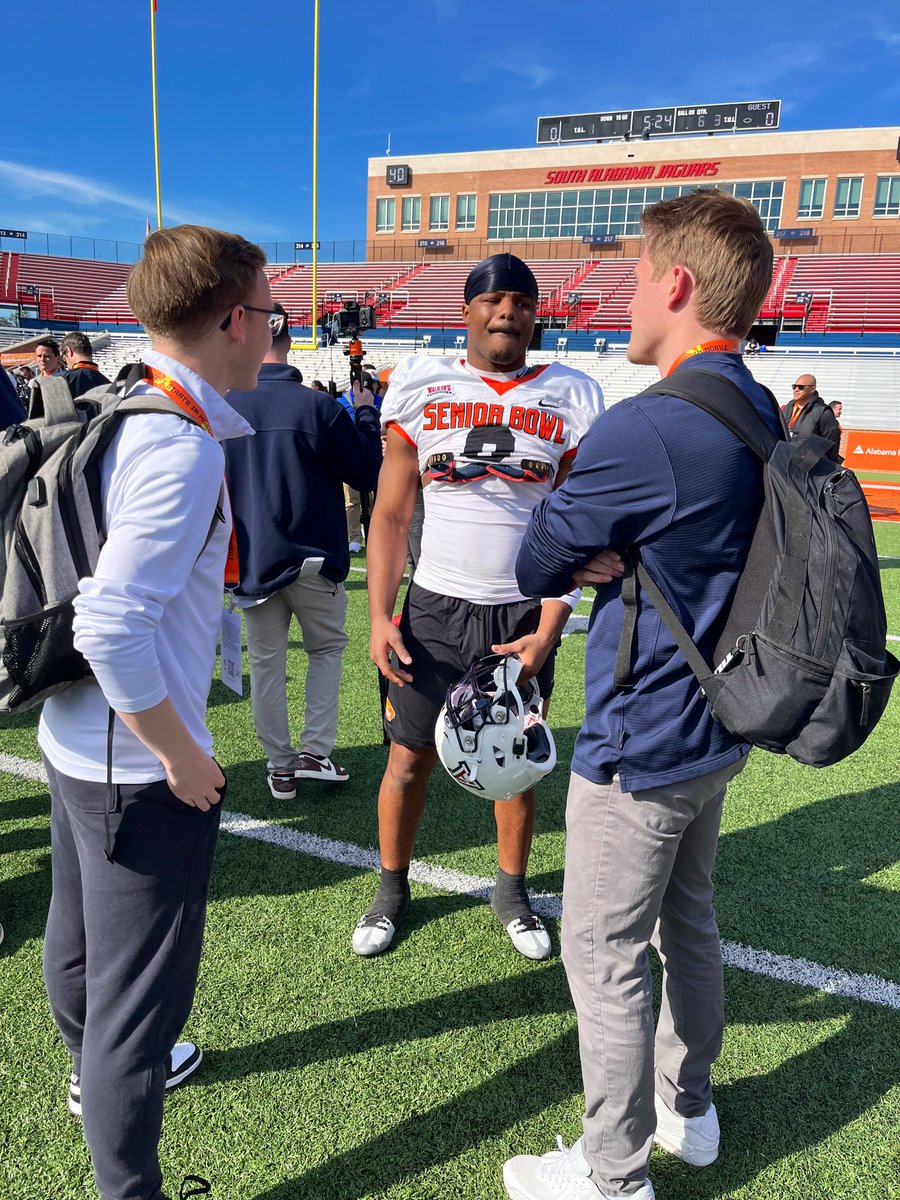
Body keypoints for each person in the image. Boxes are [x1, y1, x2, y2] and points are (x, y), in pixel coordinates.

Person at [505, 190, 777, 1200]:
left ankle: (613, 1173)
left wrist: (585, 545)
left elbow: (538, 558)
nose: (624, 298)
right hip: (718, 722)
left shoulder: (650, 426)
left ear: (677, 284)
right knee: (687, 923)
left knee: (605, 952)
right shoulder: (753, 402)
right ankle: (687, 1110)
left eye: (636, 278)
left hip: (644, 734)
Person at [37, 224, 275, 1200]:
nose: (274, 331)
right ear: (232, 320)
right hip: (134, 764)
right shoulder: (178, 445)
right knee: (138, 1009)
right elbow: (109, 624)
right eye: (269, 314)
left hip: (73, 736)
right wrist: (180, 755)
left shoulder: (123, 406)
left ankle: (88, 1075)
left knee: (75, 943)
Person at [353, 253, 605, 962]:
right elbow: (390, 516)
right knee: (407, 760)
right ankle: (391, 888)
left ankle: (511, 893)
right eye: (493, 299)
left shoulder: (572, 394)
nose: (507, 312)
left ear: (536, 315)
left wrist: (550, 627)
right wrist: (378, 616)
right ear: (466, 310)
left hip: (521, 611)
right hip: (433, 609)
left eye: (522, 301)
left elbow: (576, 527)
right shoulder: (420, 383)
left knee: (515, 763)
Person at [222, 303, 382, 799]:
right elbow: (366, 472)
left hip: (253, 559)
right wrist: (365, 411)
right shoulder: (318, 407)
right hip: (313, 557)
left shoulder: (225, 404)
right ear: (290, 339)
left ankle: (280, 766)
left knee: (267, 665)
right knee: (326, 651)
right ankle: (315, 751)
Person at [782, 373, 841, 461]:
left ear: (812, 389)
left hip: (809, 465)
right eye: (794, 386)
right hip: (785, 461)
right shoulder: (788, 407)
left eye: (801, 387)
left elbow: (832, 444)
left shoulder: (823, 412)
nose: (796, 390)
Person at [61, 331, 111, 398]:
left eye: (64, 359)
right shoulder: (109, 385)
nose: (67, 366)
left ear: (68, 351)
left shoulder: (62, 379)